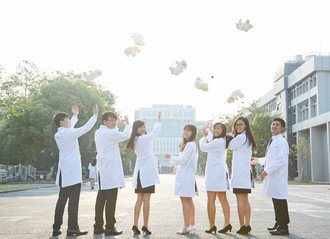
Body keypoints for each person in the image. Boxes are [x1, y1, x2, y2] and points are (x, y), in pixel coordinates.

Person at [52, 104, 98, 237]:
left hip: (64, 173)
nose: (69, 122)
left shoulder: (59, 133)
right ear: (62, 122)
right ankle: (72, 228)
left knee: (61, 200)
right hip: (72, 173)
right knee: (73, 201)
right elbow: (85, 128)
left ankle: (56, 228)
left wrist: (74, 116)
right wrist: (94, 115)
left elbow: (70, 127)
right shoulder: (68, 133)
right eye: (67, 120)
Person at [93, 112, 131, 236]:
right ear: (104, 121)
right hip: (110, 172)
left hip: (103, 170)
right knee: (111, 200)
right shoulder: (110, 133)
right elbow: (126, 135)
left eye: (115, 120)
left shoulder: (99, 132)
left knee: (101, 199)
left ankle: (98, 226)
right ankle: (110, 227)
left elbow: (116, 132)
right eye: (111, 120)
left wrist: (117, 125)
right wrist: (127, 123)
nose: (114, 122)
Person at [251, 118, 290, 235]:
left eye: (277, 125)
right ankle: (278, 223)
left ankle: (284, 226)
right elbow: (270, 158)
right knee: (275, 199)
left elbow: (280, 161)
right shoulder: (273, 140)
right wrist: (258, 160)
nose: (274, 126)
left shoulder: (282, 142)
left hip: (278, 176)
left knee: (280, 200)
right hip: (274, 176)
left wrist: (266, 171)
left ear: (282, 128)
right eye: (273, 124)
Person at [126, 112, 161, 236]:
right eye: (139, 127)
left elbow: (145, 134)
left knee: (140, 199)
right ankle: (145, 226)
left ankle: (135, 225)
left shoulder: (136, 139)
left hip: (142, 173)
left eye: (143, 127)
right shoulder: (142, 139)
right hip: (147, 174)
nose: (142, 129)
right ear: (136, 130)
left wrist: (140, 125)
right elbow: (155, 132)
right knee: (146, 200)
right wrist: (158, 121)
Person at [163, 124, 198, 235]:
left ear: (193, 133)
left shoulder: (189, 145)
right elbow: (184, 161)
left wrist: (170, 157)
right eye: (185, 130)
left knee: (185, 201)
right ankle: (191, 224)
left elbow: (182, 160)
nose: (186, 132)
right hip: (187, 175)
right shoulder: (190, 144)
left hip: (186, 177)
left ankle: (186, 226)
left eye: (189, 131)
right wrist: (176, 166)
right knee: (189, 200)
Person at [199, 123, 232, 234]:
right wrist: (206, 131)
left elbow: (204, 147)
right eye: (215, 128)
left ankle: (212, 225)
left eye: (218, 128)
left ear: (223, 130)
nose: (216, 130)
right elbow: (211, 137)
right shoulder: (222, 140)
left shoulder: (218, 142)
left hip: (215, 173)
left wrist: (203, 136)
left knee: (211, 199)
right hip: (220, 172)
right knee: (223, 199)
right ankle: (227, 223)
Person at [228, 117, 256, 234]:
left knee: (240, 199)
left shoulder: (240, 137)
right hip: (245, 172)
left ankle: (242, 226)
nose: (238, 126)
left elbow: (229, 146)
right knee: (245, 199)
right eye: (236, 125)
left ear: (246, 126)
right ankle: (247, 224)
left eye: (241, 124)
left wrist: (231, 135)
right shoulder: (247, 137)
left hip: (240, 174)